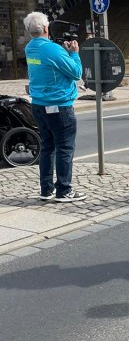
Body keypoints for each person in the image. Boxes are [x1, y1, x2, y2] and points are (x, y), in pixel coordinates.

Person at [23, 11, 86, 203]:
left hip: (39, 105)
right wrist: (74, 54)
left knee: (47, 147)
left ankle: (46, 189)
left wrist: (62, 52)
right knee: (65, 148)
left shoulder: (29, 48)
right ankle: (64, 190)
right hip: (59, 105)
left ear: (29, 30)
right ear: (45, 28)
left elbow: (50, 66)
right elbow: (76, 73)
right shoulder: (52, 50)